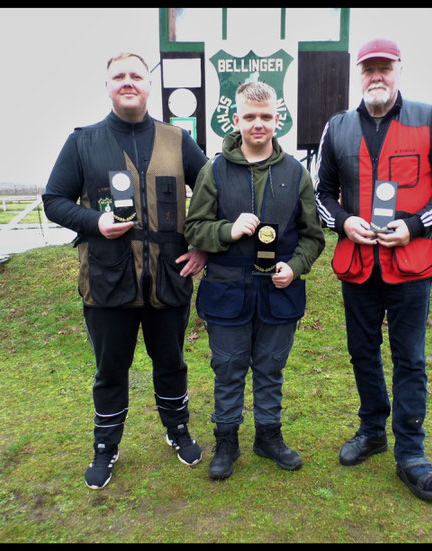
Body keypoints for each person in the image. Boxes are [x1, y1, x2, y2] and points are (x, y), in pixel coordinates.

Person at [43, 52, 209, 490]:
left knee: (171, 362)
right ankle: (105, 446)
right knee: (110, 369)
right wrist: (93, 222)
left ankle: (178, 430)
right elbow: (54, 200)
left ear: (150, 85)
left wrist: (203, 249)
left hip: (169, 278)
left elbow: (213, 192)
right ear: (107, 85)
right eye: (119, 76)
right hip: (106, 278)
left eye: (137, 75)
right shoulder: (83, 141)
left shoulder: (178, 140)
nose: (128, 82)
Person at [314, 38, 432, 501]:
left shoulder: (427, 117)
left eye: (384, 68)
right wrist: (343, 222)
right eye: (368, 69)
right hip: (359, 265)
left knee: (410, 359)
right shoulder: (336, 128)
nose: (376, 76)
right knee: (362, 353)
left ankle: (412, 453)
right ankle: (372, 430)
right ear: (357, 75)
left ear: (399, 69)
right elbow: (320, 194)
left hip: (410, 265)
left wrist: (416, 226)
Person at [184, 81, 325, 480]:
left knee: (270, 368)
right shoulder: (214, 171)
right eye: (249, 117)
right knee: (228, 369)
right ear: (236, 120)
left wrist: (295, 267)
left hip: (279, 293)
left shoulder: (296, 173)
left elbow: (313, 236)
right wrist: (227, 231)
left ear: (278, 119)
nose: (257, 124)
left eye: (265, 117)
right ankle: (226, 441)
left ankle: (268, 437)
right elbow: (194, 229)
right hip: (228, 290)